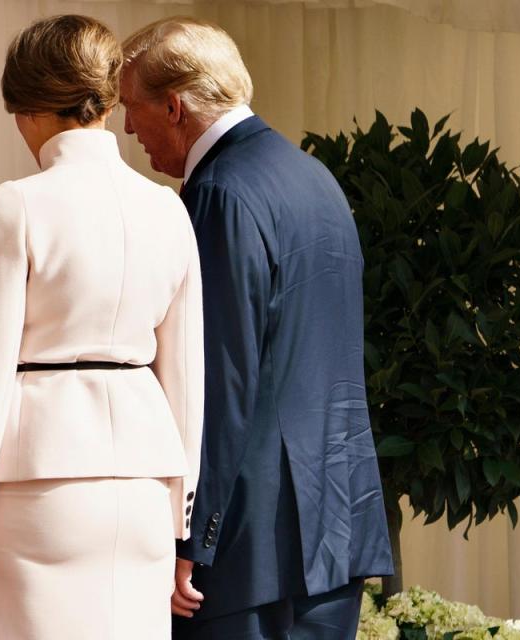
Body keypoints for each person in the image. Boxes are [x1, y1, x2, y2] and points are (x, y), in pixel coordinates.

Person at [119, 17, 395, 640]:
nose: (128, 128)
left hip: (249, 550)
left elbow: (218, 381)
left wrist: (192, 535)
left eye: (130, 108)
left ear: (174, 105)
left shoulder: (219, 193)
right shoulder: (314, 178)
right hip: (334, 529)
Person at [0, 14, 204, 640]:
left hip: (39, 494)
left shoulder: (16, 205)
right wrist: (180, 520)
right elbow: (188, 384)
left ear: (27, 108)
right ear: (108, 100)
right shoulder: (168, 209)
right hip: (143, 492)